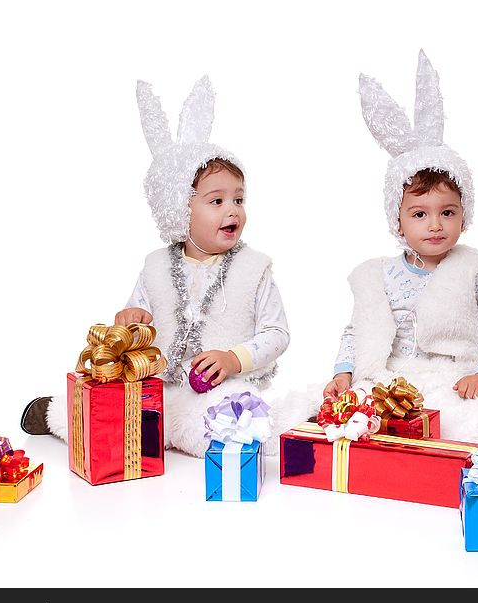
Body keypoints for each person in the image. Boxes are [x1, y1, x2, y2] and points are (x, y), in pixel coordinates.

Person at [20, 76, 310, 456]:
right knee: (112, 411)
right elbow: (133, 317)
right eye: (216, 201)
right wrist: (132, 319)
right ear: (178, 208)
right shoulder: (156, 266)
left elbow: (277, 333)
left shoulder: (254, 268)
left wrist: (232, 358)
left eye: (238, 199)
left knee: (237, 421)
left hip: (217, 390)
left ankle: (294, 420)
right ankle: (60, 414)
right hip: (155, 385)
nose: (233, 210)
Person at [320, 51, 478, 454]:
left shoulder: (472, 267)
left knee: (463, 419)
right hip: (391, 377)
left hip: (454, 376)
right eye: (420, 213)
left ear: (463, 214)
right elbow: (356, 332)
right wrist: (344, 373)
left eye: (447, 212)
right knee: (355, 414)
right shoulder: (378, 274)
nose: (435, 224)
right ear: (397, 220)